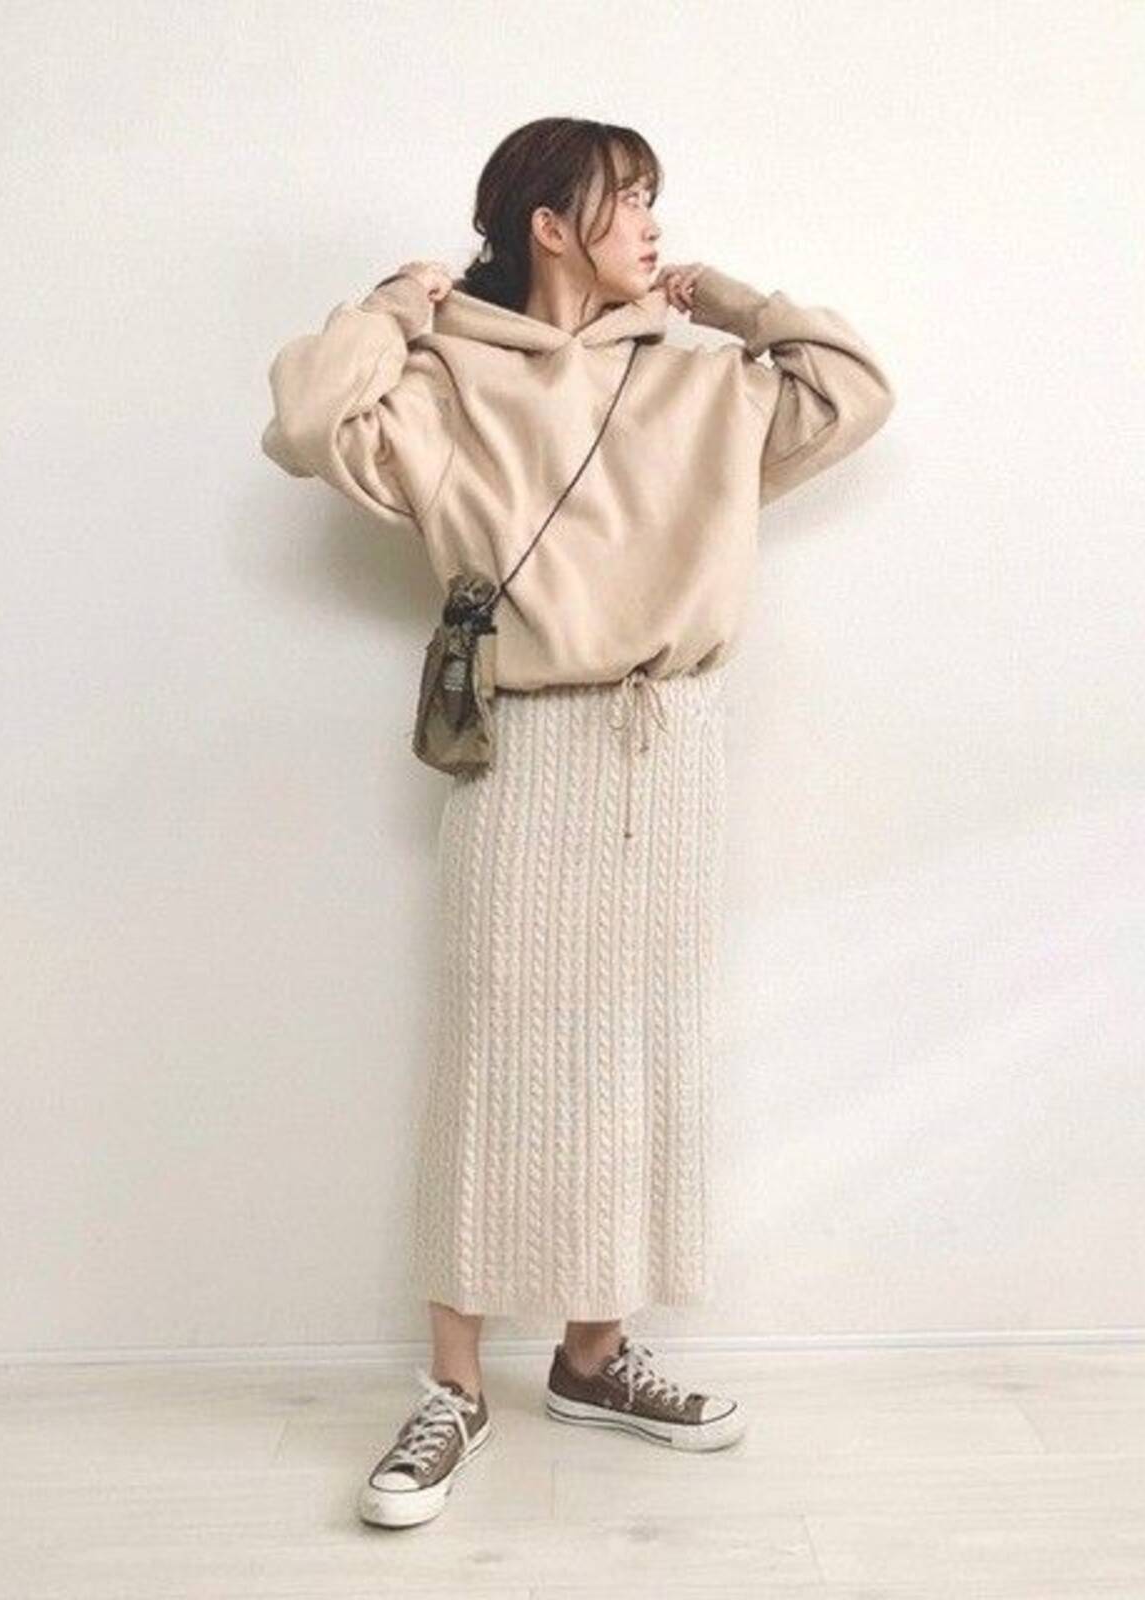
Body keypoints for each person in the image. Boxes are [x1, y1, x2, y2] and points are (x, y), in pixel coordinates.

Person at [260, 116, 896, 1529]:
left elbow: (856, 390)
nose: (656, 225)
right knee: (495, 1057)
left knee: (638, 1054)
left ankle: (594, 1359)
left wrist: (726, 297)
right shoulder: (444, 381)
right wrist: (395, 304)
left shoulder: (702, 378)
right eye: (632, 202)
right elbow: (307, 424)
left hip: (668, 744)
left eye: (661, 202)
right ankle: (454, 1387)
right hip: (527, 744)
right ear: (549, 224)